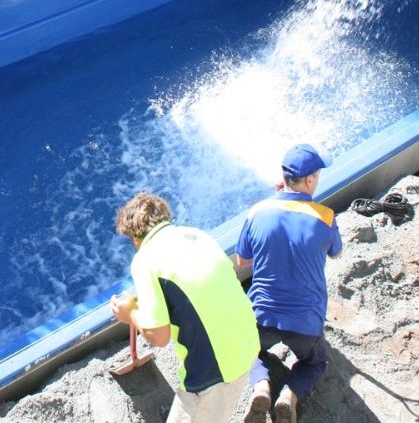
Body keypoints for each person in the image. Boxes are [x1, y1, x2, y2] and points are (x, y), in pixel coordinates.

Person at [111, 192, 259, 423]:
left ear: (135, 238)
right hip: (248, 340)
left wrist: (130, 314)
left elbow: (158, 337)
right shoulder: (197, 236)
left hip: (217, 369)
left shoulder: (144, 261)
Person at [235, 144, 343, 423]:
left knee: (243, 349)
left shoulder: (257, 212)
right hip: (305, 324)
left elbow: (242, 262)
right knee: (314, 362)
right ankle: (289, 396)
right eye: (317, 177)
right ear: (309, 181)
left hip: (262, 318)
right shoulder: (325, 217)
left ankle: (261, 386)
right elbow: (337, 252)